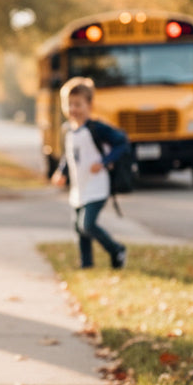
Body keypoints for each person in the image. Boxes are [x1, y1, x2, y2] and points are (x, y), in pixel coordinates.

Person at [51, 77, 129, 270]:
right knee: (78, 228)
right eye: (69, 104)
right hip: (79, 187)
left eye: (78, 104)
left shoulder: (97, 128)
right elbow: (70, 156)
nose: (73, 109)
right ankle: (87, 264)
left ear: (90, 105)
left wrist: (104, 161)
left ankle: (117, 249)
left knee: (87, 225)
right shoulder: (68, 131)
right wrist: (61, 172)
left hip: (97, 186)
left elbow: (122, 142)